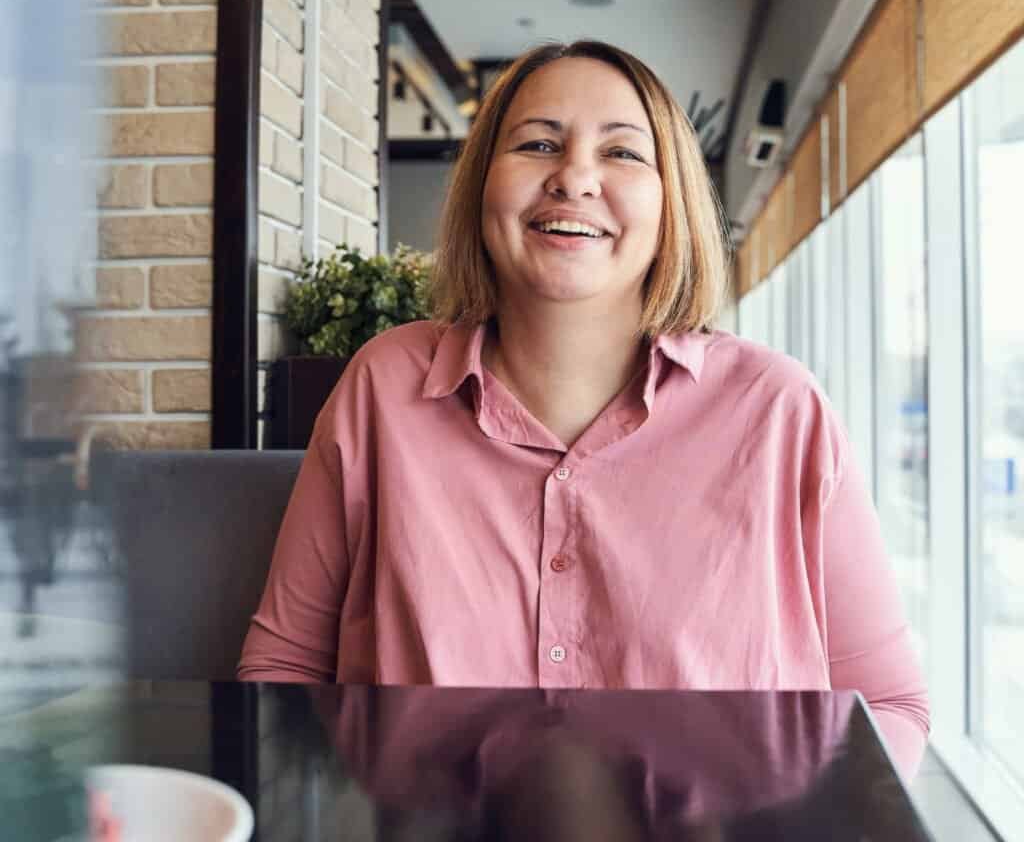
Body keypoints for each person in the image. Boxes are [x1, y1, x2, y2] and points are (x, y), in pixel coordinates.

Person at [238, 40, 930, 779]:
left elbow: (887, 705)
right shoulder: (385, 388)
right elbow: (283, 670)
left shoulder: (779, 411)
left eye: (624, 154)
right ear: (482, 186)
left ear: (674, 202)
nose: (573, 176)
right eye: (538, 143)